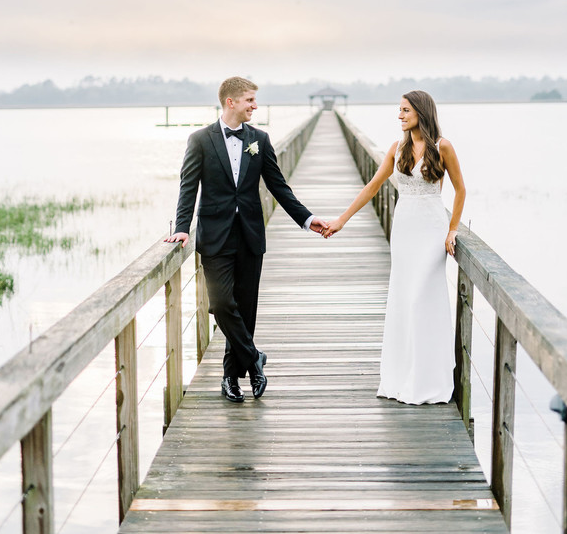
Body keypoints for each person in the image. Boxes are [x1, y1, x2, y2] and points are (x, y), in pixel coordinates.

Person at [165, 76, 328, 403]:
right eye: (250, 100)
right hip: (214, 236)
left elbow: (279, 186)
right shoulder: (199, 140)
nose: (255, 105)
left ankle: (232, 378)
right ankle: (254, 358)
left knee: (246, 309)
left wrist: (307, 219)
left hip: (251, 235)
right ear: (231, 102)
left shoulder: (260, 139)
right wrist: (182, 226)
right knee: (223, 304)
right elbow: (188, 187)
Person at [324, 90, 465, 405]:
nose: (399, 116)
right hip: (403, 229)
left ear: (421, 112)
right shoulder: (396, 148)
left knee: (422, 298)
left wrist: (452, 229)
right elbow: (373, 186)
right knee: (404, 298)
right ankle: (401, 375)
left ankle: (428, 378)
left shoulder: (443, 147)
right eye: (399, 111)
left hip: (431, 228)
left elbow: (460, 190)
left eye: (405, 110)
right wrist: (341, 220)